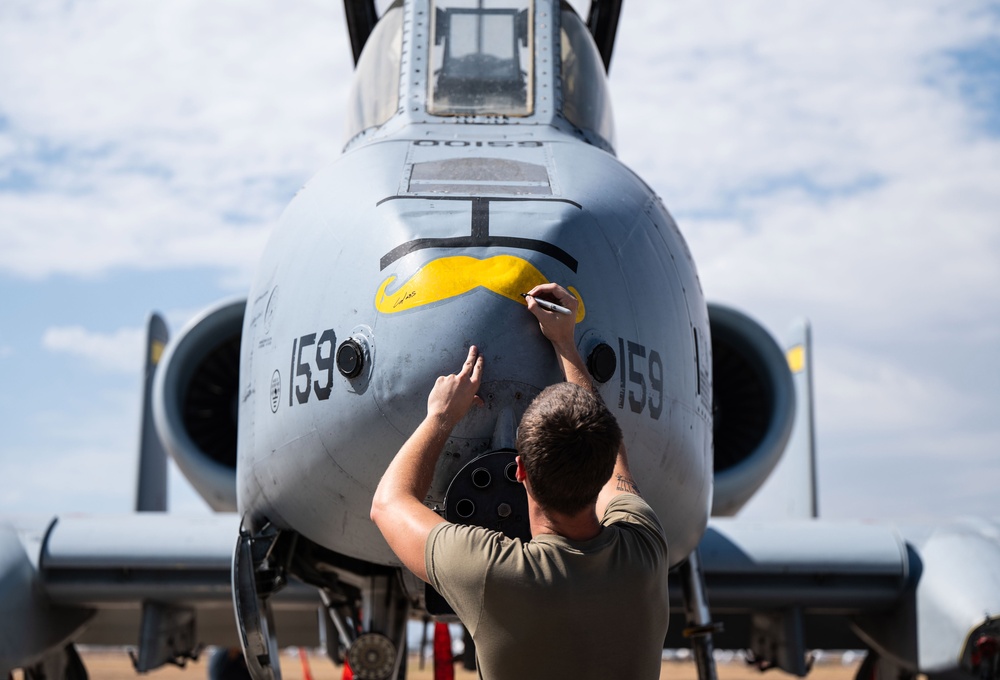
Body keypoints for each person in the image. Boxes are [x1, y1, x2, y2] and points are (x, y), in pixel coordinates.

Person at [370, 282, 669, 679]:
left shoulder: (493, 574)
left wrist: (440, 416)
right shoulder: (645, 550)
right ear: (599, 474)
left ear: (519, 470)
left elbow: (388, 504)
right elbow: (614, 458)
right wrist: (567, 344)